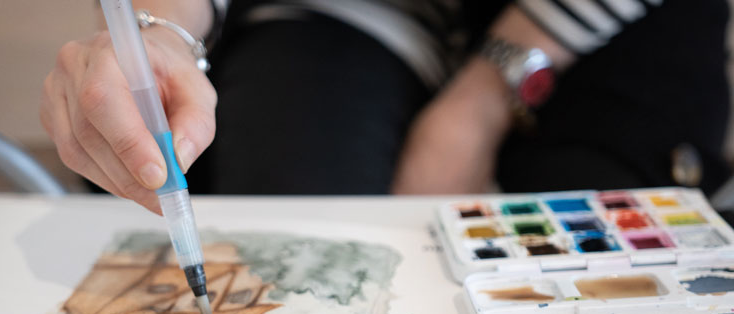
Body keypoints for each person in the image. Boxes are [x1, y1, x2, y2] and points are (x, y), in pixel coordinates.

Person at [40, 0, 731, 214]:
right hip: (365, 11)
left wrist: (480, 100)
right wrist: (164, 29)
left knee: (591, 230)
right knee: (295, 215)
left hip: (605, 26)